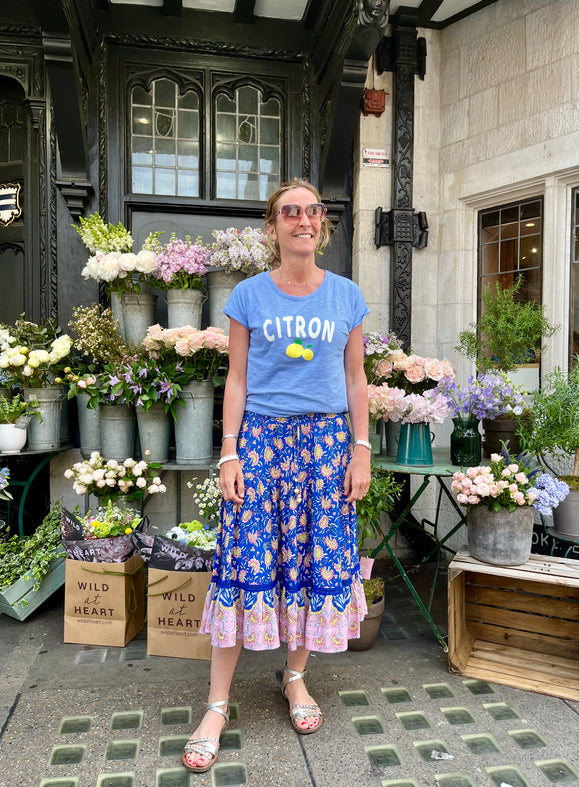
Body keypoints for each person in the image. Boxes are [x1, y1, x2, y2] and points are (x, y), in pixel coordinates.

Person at [182, 178, 372, 773]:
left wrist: (361, 448)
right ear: (273, 227)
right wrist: (229, 453)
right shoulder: (248, 297)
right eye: (290, 212)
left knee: (310, 561)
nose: (304, 220)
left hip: (326, 445)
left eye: (313, 210)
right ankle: (216, 705)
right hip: (261, 443)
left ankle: (295, 678)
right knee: (246, 560)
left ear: (323, 224)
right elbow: (234, 381)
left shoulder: (346, 297)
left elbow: (356, 379)